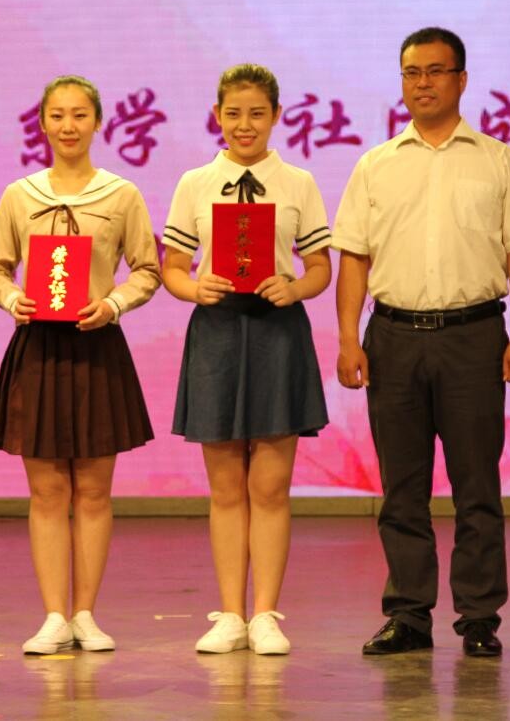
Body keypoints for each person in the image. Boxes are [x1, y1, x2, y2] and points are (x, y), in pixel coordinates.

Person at [333, 27, 510, 658]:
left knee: (476, 485)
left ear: (461, 79)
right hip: (393, 338)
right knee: (401, 488)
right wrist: (348, 338)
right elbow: (353, 258)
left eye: (435, 71)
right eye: (411, 72)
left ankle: (479, 617)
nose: (422, 83)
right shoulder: (375, 164)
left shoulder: (498, 160)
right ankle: (408, 615)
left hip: (473, 338)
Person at [0, 75, 161, 655]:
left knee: (94, 490)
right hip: (38, 349)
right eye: (57, 115)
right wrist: (13, 299)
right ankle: (53, 616)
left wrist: (113, 304)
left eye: (80, 115)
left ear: (98, 122)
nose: (68, 126)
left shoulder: (121, 194)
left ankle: (86, 614)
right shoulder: (20, 195)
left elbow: (148, 270)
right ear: (41, 123)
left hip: (97, 347)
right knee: (47, 491)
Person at [162, 64, 333, 656]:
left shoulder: (298, 183)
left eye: (257, 113)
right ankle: (230, 614)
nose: (244, 124)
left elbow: (320, 267)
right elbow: (172, 267)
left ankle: (266, 615)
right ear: (217, 115)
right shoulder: (195, 183)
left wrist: (295, 286)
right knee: (226, 486)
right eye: (233, 113)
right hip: (217, 331)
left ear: (276, 116)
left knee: (271, 485)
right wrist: (195, 288)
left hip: (277, 331)